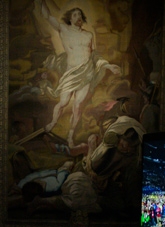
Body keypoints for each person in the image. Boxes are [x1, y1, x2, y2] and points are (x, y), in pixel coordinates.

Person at [36, 0, 121, 148]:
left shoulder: (89, 35)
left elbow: (94, 55)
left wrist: (108, 66)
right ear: (70, 18)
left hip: (86, 73)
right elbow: (47, 16)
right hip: (70, 72)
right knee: (63, 103)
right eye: (75, 14)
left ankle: (70, 135)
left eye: (80, 14)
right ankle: (53, 122)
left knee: (78, 105)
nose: (78, 16)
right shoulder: (64, 30)